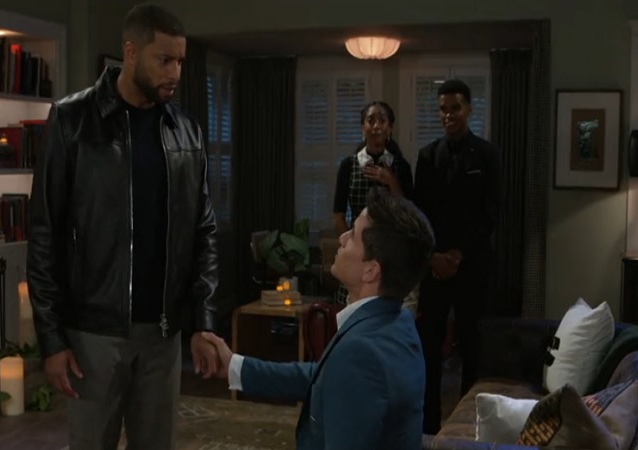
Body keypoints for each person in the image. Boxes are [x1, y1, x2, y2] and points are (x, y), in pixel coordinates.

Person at [26, 4, 220, 449]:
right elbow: (44, 235)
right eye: (164, 60)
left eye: (180, 61)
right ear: (131, 53)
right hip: (94, 332)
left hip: (163, 334)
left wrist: (204, 322)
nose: (175, 73)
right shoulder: (72, 120)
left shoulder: (186, 131)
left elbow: (203, 232)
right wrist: (51, 339)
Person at [203, 187, 434, 449]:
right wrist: (234, 366)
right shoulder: (400, 322)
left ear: (371, 271)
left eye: (353, 235)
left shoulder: (360, 353)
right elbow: (325, 376)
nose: (342, 237)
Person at [413, 79, 501, 434]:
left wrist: (459, 255)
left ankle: (469, 428)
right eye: (443, 109)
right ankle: (429, 429)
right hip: (434, 267)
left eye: (455, 108)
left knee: (473, 351)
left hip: (472, 264)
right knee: (428, 351)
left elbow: (490, 215)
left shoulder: (487, 154)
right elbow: (419, 214)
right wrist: (434, 257)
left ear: (469, 109)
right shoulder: (427, 156)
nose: (448, 115)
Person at [332, 101, 414, 306]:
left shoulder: (400, 165)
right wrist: (350, 244)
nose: (376, 126)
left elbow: (408, 213)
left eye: (382, 121)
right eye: (371, 120)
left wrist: (391, 181)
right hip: (358, 251)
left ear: (390, 128)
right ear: (363, 127)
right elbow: (338, 215)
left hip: (390, 253)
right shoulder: (349, 165)